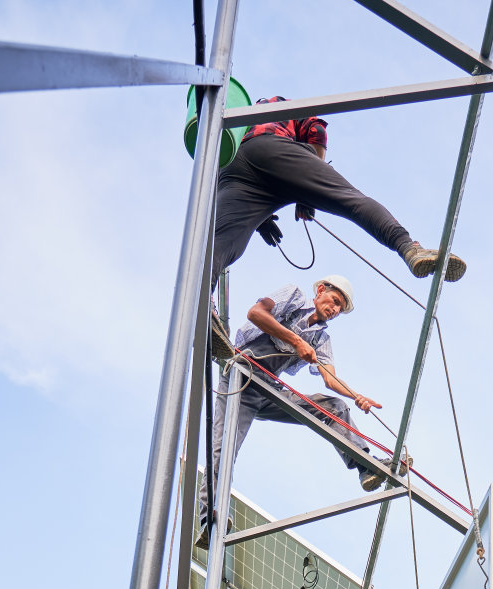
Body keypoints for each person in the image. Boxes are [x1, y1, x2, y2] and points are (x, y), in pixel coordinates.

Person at [210, 96, 466, 310]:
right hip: (270, 149)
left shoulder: (240, 123)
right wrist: (308, 191)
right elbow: (317, 131)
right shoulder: (279, 106)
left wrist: (261, 222)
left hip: (232, 169)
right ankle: (409, 248)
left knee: (223, 244)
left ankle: (202, 299)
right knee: (351, 201)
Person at [198, 273, 399, 544]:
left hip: (270, 390)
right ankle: (208, 519)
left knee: (333, 407)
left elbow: (329, 378)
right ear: (320, 290)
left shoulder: (321, 339)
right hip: (241, 379)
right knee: (223, 449)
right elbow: (256, 313)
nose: (335, 309)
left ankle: (365, 466)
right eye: (334, 300)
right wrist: (296, 341)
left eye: (340, 308)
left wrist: (356, 396)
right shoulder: (292, 298)